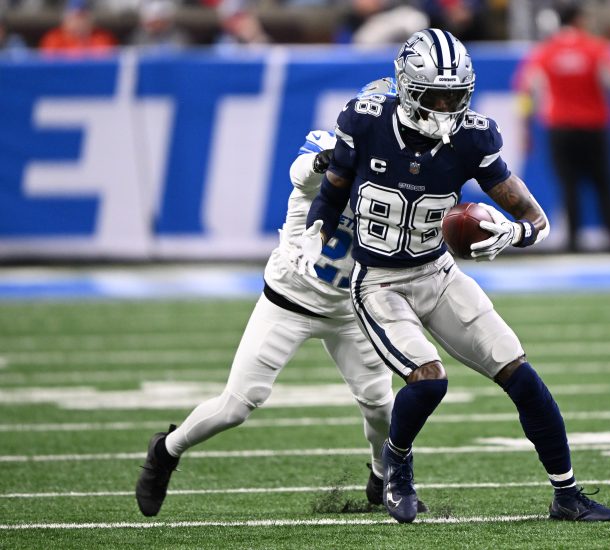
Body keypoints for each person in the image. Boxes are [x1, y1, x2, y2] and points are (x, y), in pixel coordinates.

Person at [293, 28, 610, 524]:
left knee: (521, 375)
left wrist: (514, 233)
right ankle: (397, 466)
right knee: (429, 381)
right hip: (378, 280)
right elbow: (334, 188)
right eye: (435, 95)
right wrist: (314, 231)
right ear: (407, 88)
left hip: (438, 273)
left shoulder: (473, 137)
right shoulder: (366, 120)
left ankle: (567, 494)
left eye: (456, 95)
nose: (447, 107)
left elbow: (535, 218)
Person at [135, 79, 429, 517]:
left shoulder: (410, 170)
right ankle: (165, 451)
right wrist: (329, 161)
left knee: (381, 408)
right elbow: (301, 173)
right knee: (237, 405)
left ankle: (381, 475)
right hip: (289, 298)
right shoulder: (331, 150)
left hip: (350, 309)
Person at [513, 3, 610, 253]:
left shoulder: (544, 52)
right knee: (603, 184)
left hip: (560, 128)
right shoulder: (598, 49)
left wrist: (524, 129)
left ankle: (573, 240)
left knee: (568, 185)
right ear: (579, 20)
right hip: (594, 127)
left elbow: (525, 90)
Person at [39, 0, 117, 56]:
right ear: (65, 19)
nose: (79, 22)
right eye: (75, 17)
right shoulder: (54, 39)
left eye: (83, 17)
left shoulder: (102, 38)